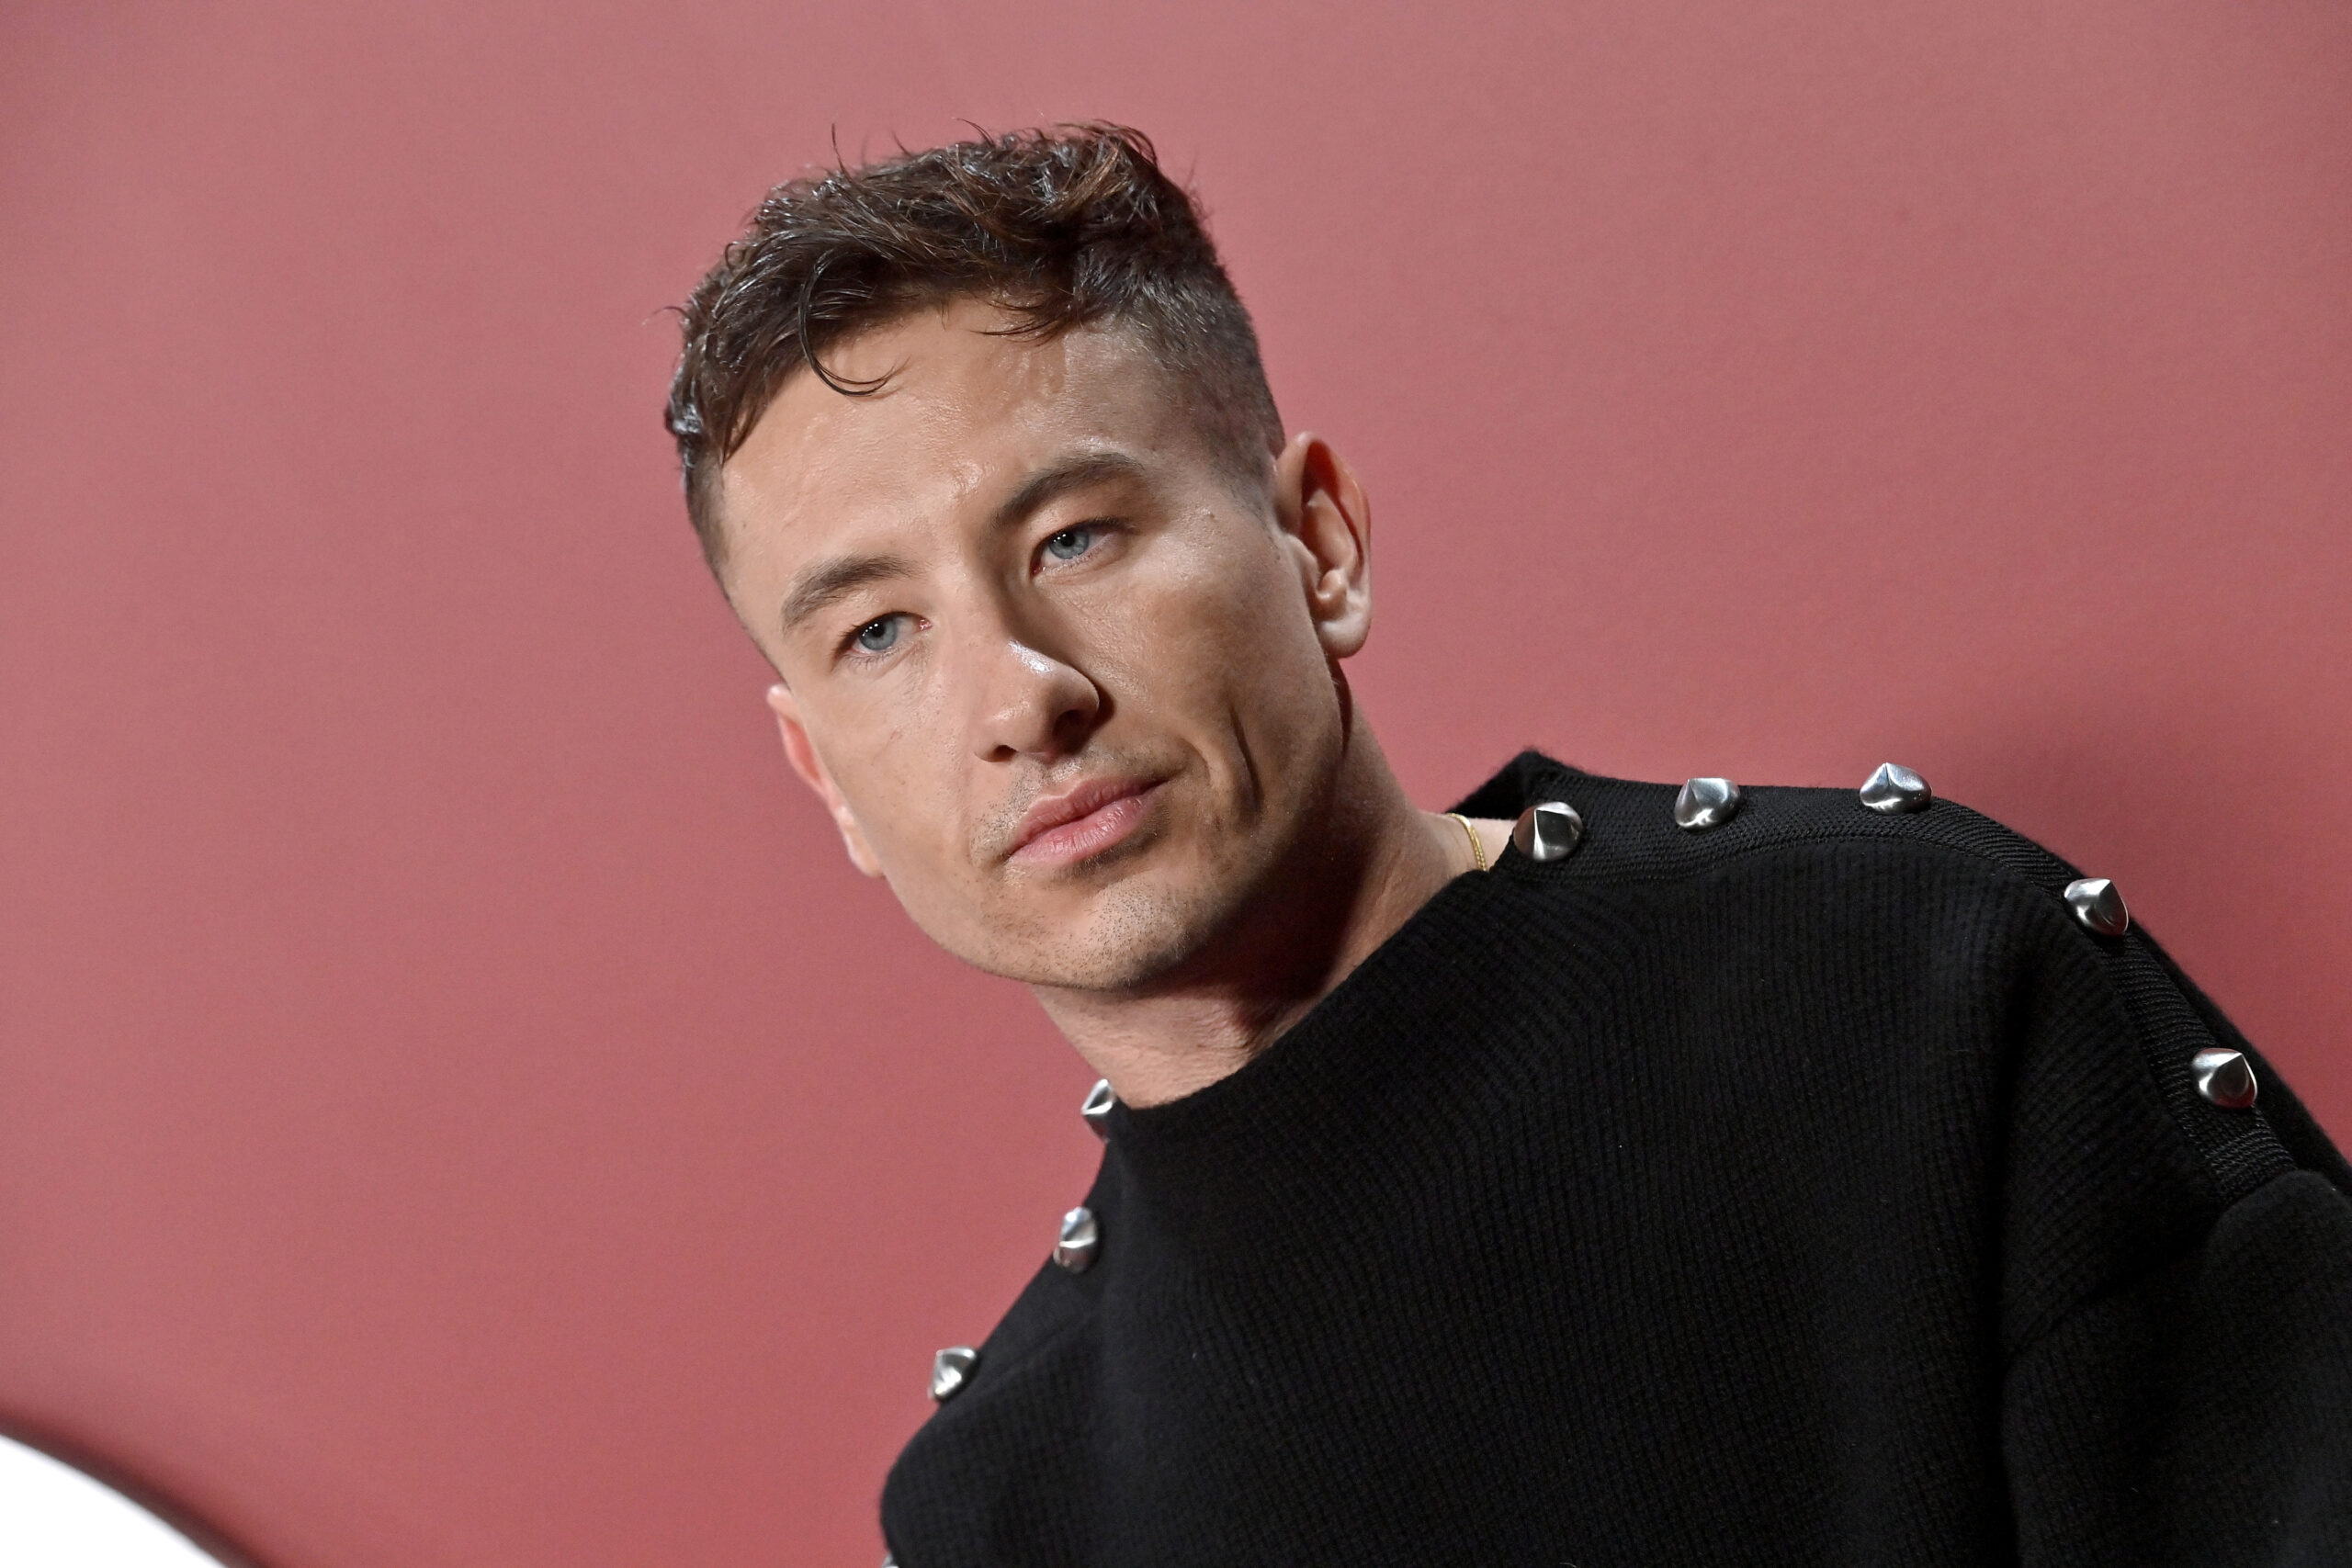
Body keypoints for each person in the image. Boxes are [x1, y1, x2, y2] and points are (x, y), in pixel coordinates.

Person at [663, 125, 2352, 1566]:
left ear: (1318, 541)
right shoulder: (1003, 1508)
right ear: (825, 779)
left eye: (1076, 537)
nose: (1021, 698)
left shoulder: (1922, 989)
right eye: (878, 633)